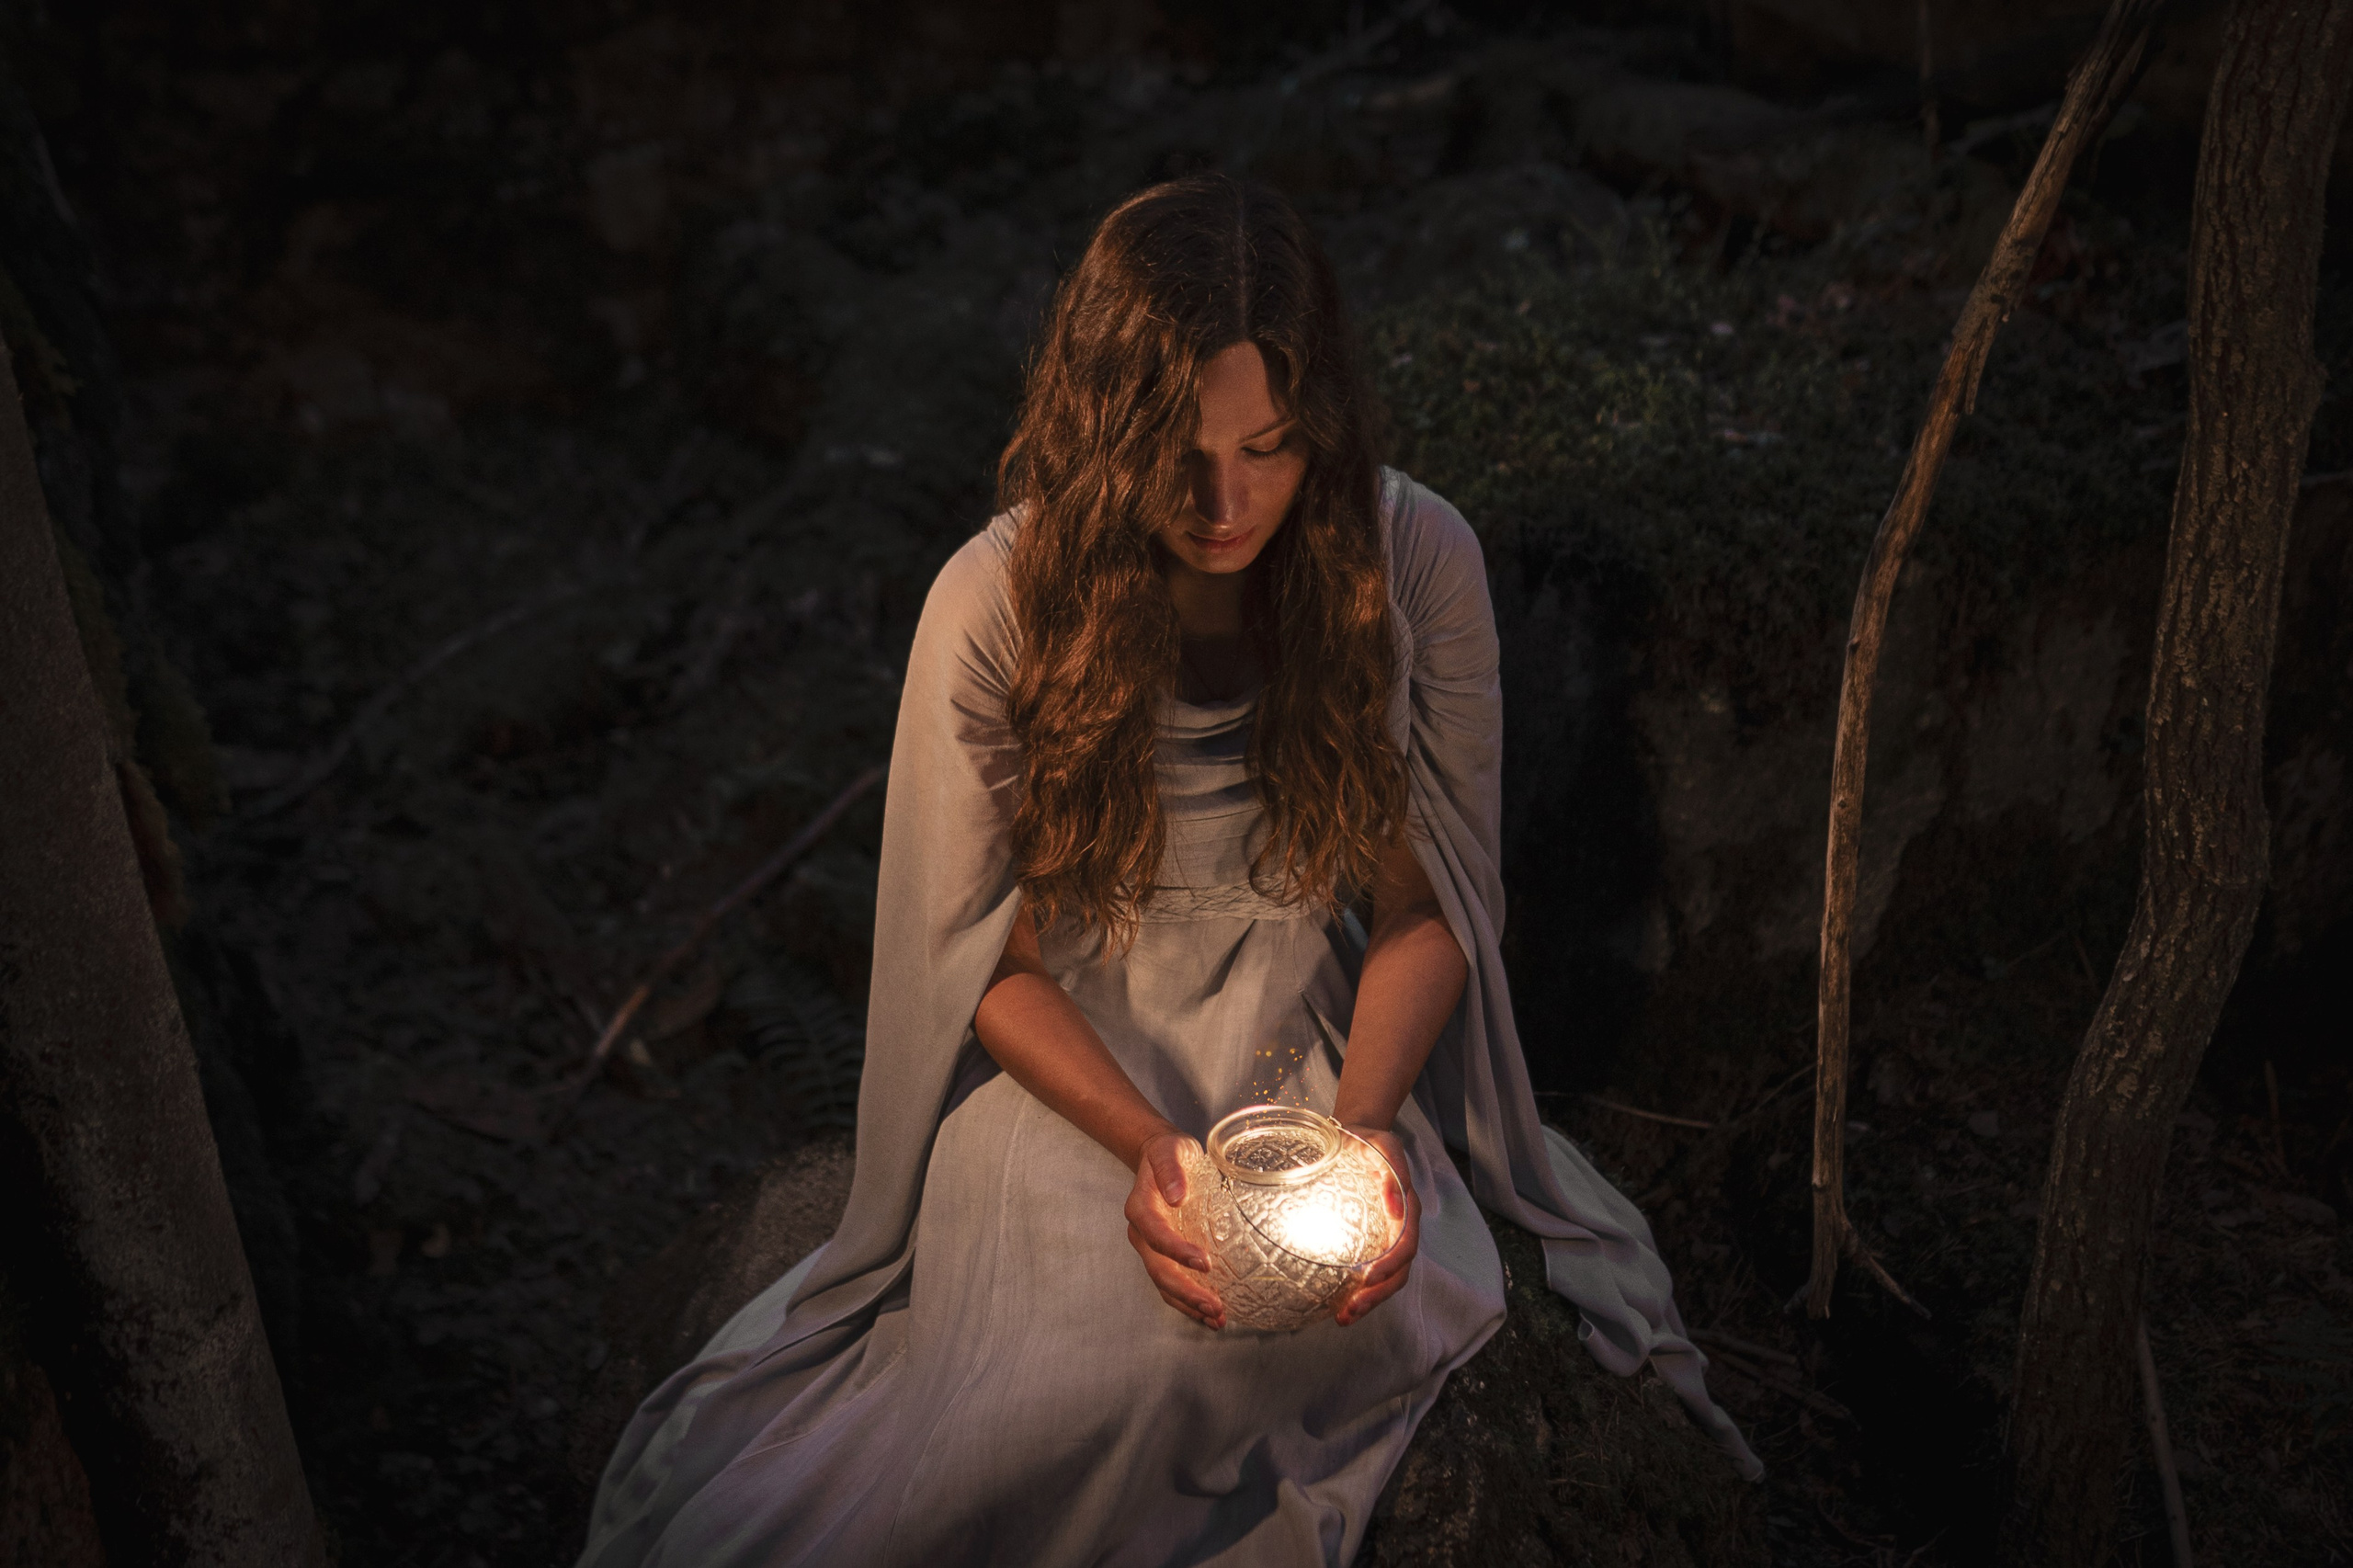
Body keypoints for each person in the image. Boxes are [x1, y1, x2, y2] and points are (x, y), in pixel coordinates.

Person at [579, 174, 1756, 1568]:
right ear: (1101, 423)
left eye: (1269, 448)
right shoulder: (996, 602)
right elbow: (985, 961)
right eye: (1179, 454)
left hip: (1314, 1040)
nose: (1225, 500)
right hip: (1073, 1060)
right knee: (1092, 1373)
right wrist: (1147, 1146)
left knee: (1285, 1324)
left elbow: (1430, 902)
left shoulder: (1411, 561)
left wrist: (1368, 1131)